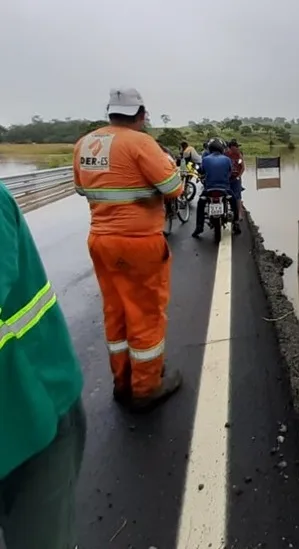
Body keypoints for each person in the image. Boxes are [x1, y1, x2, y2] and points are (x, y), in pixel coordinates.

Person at [73, 87, 184, 412]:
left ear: (110, 111)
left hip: (100, 240)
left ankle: (122, 382)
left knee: (116, 311)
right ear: (140, 113)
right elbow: (174, 189)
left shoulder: (84, 144)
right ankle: (147, 386)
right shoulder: (140, 143)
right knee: (146, 313)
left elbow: (81, 188)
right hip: (138, 243)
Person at [0, 180, 86, 549]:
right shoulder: (150, 151)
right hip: (30, 412)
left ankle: (135, 382)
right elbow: (171, 185)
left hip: (31, 413)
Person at [193, 138, 241, 237]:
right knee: (234, 202)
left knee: (200, 205)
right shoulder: (227, 159)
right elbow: (230, 171)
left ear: (210, 148)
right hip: (225, 189)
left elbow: (201, 171)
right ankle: (236, 223)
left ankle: (199, 227)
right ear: (222, 149)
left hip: (209, 189)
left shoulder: (205, 159)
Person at [225, 138, 245, 222]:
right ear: (231, 147)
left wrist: (238, 176)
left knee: (238, 196)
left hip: (236, 178)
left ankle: (239, 214)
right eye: (236, 147)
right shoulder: (225, 155)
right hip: (227, 179)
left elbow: (242, 167)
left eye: (237, 147)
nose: (237, 148)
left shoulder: (239, 155)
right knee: (226, 194)